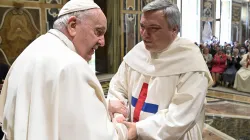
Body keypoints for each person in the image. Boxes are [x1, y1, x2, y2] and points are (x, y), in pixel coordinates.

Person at [0, 0, 128, 139]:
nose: (102, 42)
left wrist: (106, 104)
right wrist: (122, 128)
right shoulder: (72, 66)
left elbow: (47, 103)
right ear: (72, 26)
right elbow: (97, 136)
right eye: (98, 31)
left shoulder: (32, 50)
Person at [107, 0, 213, 139]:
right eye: (142, 26)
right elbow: (117, 87)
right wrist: (118, 112)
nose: (145, 34)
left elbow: (182, 115)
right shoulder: (137, 52)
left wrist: (139, 129)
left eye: (154, 28)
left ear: (174, 29)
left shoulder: (190, 62)